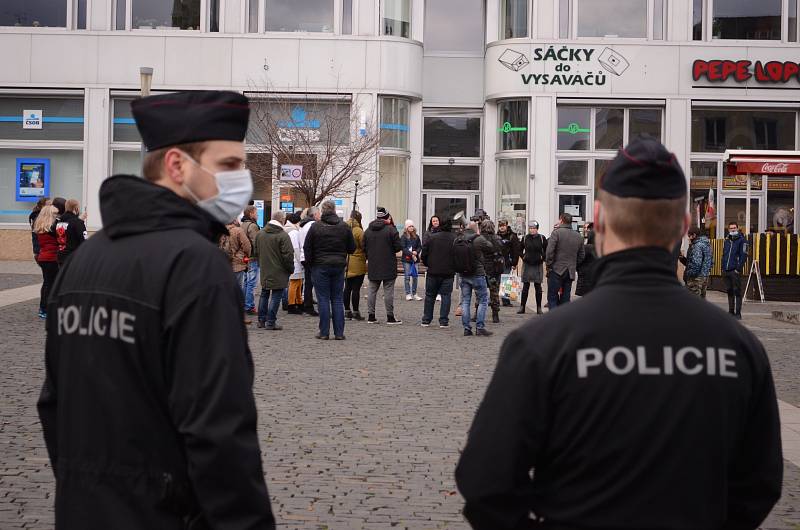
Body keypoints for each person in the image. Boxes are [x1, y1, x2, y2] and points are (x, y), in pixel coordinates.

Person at [455, 137, 781, 530]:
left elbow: (485, 482)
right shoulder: (738, 347)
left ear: (599, 218)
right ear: (684, 225)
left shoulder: (543, 344)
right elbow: (759, 484)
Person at [37, 91, 276, 529]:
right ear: (177, 166)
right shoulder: (196, 265)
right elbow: (219, 431)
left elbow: (54, 406)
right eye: (228, 165)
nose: (241, 180)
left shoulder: (85, 261)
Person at [303, 200, 356, 340]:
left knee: (323, 299)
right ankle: (339, 333)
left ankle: (324, 332)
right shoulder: (344, 227)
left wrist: (310, 263)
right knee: (337, 299)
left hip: (320, 266)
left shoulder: (316, 227)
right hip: (338, 266)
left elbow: (307, 247)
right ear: (334, 209)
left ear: (322, 210)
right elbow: (352, 248)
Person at [363, 207, 403, 325]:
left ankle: (371, 316)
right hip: (388, 264)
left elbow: (363, 247)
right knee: (388, 291)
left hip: (373, 264)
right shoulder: (391, 230)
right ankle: (390, 317)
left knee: (372, 290)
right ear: (387, 217)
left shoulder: (368, 230)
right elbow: (398, 247)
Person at [255, 211, 294, 330]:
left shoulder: (260, 233)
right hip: (280, 270)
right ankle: (271, 321)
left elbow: (256, 251)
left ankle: (261, 320)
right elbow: (288, 255)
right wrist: (290, 268)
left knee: (264, 294)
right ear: (282, 220)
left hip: (265, 268)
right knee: (276, 295)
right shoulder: (283, 235)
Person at [455, 221, 493, 337]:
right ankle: (480, 327)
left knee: (466, 301)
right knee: (483, 300)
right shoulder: (479, 239)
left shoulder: (459, 239)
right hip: (478, 273)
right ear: (477, 229)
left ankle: (467, 329)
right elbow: (490, 247)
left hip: (463, 274)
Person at [421, 218, 457, 328]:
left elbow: (424, 254)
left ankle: (426, 319)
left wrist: (428, 264)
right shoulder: (454, 239)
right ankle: (443, 320)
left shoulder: (432, 238)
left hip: (433, 271)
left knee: (430, 296)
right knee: (446, 296)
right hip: (448, 272)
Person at [545, 212, 584, 309]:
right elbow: (582, 255)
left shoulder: (556, 233)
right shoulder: (578, 236)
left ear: (561, 220)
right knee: (566, 297)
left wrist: (549, 265)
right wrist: (574, 264)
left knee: (552, 296)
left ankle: (554, 320)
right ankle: (563, 320)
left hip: (556, 269)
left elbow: (549, 252)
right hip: (570, 271)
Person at [220, 219, 252, 322]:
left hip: (224, 263)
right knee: (237, 289)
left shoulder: (220, 230)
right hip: (237, 264)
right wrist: (244, 255)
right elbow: (247, 246)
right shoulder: (238, 231)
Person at [33, 205, 59, 320]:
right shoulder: (53, 227)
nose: (57, 216)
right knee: (51, 284)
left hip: (43, 257)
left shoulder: (40, 226)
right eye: (55, 214)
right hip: (52, 258)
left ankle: (43, 308)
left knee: (47, 283)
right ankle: (46, 308)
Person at [518, 220, 547, 315]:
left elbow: (547, 250)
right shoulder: (525, 238)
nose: (532, 230)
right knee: (525, 286)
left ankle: (539, 307)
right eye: (530, 228)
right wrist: (524, 257)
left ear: (537, 229)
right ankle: (522, 307)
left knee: (538, 286)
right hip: (527, 264)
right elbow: (519, 249)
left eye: (534, 228)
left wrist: (542, 258)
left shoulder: (542, 238)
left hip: (538, 264)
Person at [478, 219, 504, 324]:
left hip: (482, 269)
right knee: (494, 292)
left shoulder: (480, 239)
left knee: (480, 292)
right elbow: (502, 250)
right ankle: (495, 314)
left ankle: (477, 313)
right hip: (495, 269)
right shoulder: (498, 238)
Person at [344, 210, 367, 321]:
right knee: (356, 289)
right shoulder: (359, 231)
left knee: (347, 288)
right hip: (358, 261)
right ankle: (356, 312)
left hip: (346, 261)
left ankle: (346, 311)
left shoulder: (343, 228)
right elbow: (364, 246)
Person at [299, 206, 321, 316]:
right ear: (315, 214)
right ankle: (308, 306)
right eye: (319, 214)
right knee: (311, 283)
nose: (320, 216)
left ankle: (307, 304)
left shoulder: (303, 225)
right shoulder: (312, 225)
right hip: (310, 257)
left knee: (308, 282)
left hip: (304, 256)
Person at [722, 221, 747, 319]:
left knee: (737, 291)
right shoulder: (727, 240)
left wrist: (738, 269)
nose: (732, 229)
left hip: (734, 270)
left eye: (734, 228)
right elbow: (724, 255)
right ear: (728, 229)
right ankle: (731, 311)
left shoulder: (742, 240)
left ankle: (738, 313)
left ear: (737, 228)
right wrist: (722, 268)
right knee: (729, 291)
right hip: (726, 270)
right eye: (731, 228)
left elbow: (744, 256)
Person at [53, 198, 88, 266]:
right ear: (76, 208)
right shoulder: (77, 223)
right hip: (73, 258)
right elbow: (84, 241)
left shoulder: (59, 222)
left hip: (61, 256)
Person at [240, 205, 261, 315]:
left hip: (245, 257)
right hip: (253, 257)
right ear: (251, 213)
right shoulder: (252, 226)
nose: (257, 215)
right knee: (251, 283)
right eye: (256, 213)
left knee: (246, 282)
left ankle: (244, 304)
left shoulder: (242, 224)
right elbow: (255, 242)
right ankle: (249, 306)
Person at [496, 219, 522, 307]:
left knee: (506, 281)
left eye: (503, 225)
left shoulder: (512, 236)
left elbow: (516, 250)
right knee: (497, 281)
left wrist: (514, 263)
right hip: (497, 262)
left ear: (507, 226)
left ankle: (506, 301)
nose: (501, 227)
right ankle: (495, 300)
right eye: (500, 226)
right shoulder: (496, 236)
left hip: (507, 262)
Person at [684, 227, 713, 299]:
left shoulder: (697, 245)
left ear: (694, 235)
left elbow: (696, 263)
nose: (688, 238)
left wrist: (689, 273)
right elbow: (711, 261)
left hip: (696, 278)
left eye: (689, 236)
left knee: (693, 302)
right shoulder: (707, 244)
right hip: (704, 276)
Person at [285, 212, 305, 314]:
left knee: (298, 282)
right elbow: (296, 248)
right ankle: (291, 304)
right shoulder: (294, 232)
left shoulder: (291, 230)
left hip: (294, 261)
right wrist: (300, 261)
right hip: (295, 261)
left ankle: (298, 301)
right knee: (294, 283)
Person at [400, 219, 423, 301]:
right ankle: (408, 293)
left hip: (415, 260)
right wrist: (411, 254)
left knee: (415, 277)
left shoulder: (416, 237)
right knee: (407, 277)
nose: (411, 227)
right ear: (406, 227)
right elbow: (403, 248)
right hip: (406, 260)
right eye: (410, 226)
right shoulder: (403, 237)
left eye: (412, 226)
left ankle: (414, 293)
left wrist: (416, 252)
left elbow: (420, 246)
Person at [575, 228, 598, 297]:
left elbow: (580, 258)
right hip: (595, 273)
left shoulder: (587, 248)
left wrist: (578, 267)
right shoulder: (599, 247)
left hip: (585, 274)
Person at [29, 197, 49, 262]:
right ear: (43, 206)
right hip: (40, 251)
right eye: (49, 205)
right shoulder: (38, 217)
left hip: (40, 250)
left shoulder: (38, 215)